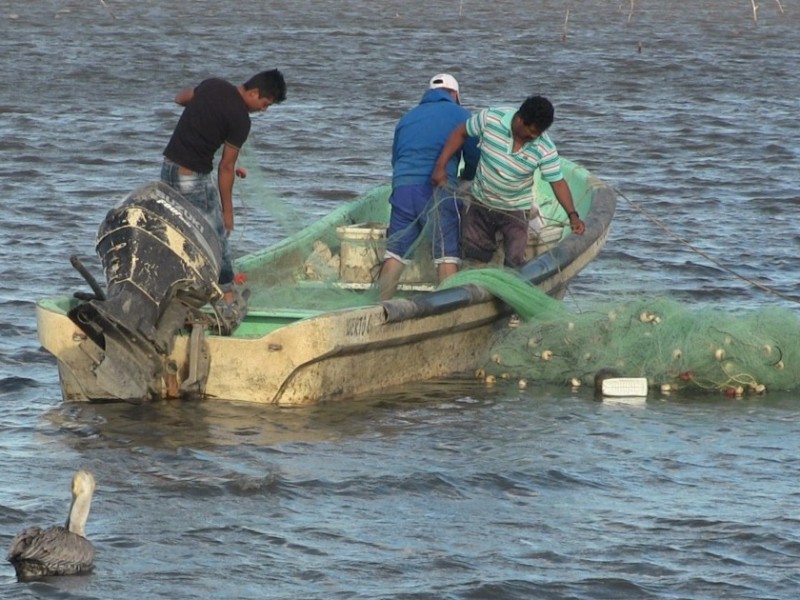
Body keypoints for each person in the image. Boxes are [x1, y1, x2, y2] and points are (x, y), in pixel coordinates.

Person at [161, 69, 287, 332]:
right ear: (254, 93)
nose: (263, 111)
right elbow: (226, 168)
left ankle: (178, 297)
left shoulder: (213, 85)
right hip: (191, 177)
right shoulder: (240, 119)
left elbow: (180, 98)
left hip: (169, 170)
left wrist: (202, 113)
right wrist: (228, 212)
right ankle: (227, 301)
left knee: (183, 235)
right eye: (265, 104)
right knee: (217, 235)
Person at [431, 94, 585, 269]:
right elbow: (461, 133)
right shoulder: (491, 119)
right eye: (530, 134)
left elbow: (557, 183)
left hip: (516, 210)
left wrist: (573, 215)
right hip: (481, 203)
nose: (533, 138)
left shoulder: (545, 148)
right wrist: (440, 166)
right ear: (519, 119)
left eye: (537, 135)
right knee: (475, 257)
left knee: (514, 263)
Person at [376, 73, 480, 300]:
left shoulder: (407, 118)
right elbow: (473, 156)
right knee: (445, 254)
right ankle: (449, 309)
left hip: (403, 188)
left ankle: (379, 308)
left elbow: (396, 159)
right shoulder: (462, 115)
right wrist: (466, 177)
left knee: (395, 253)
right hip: (438, 190)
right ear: (455, 95)